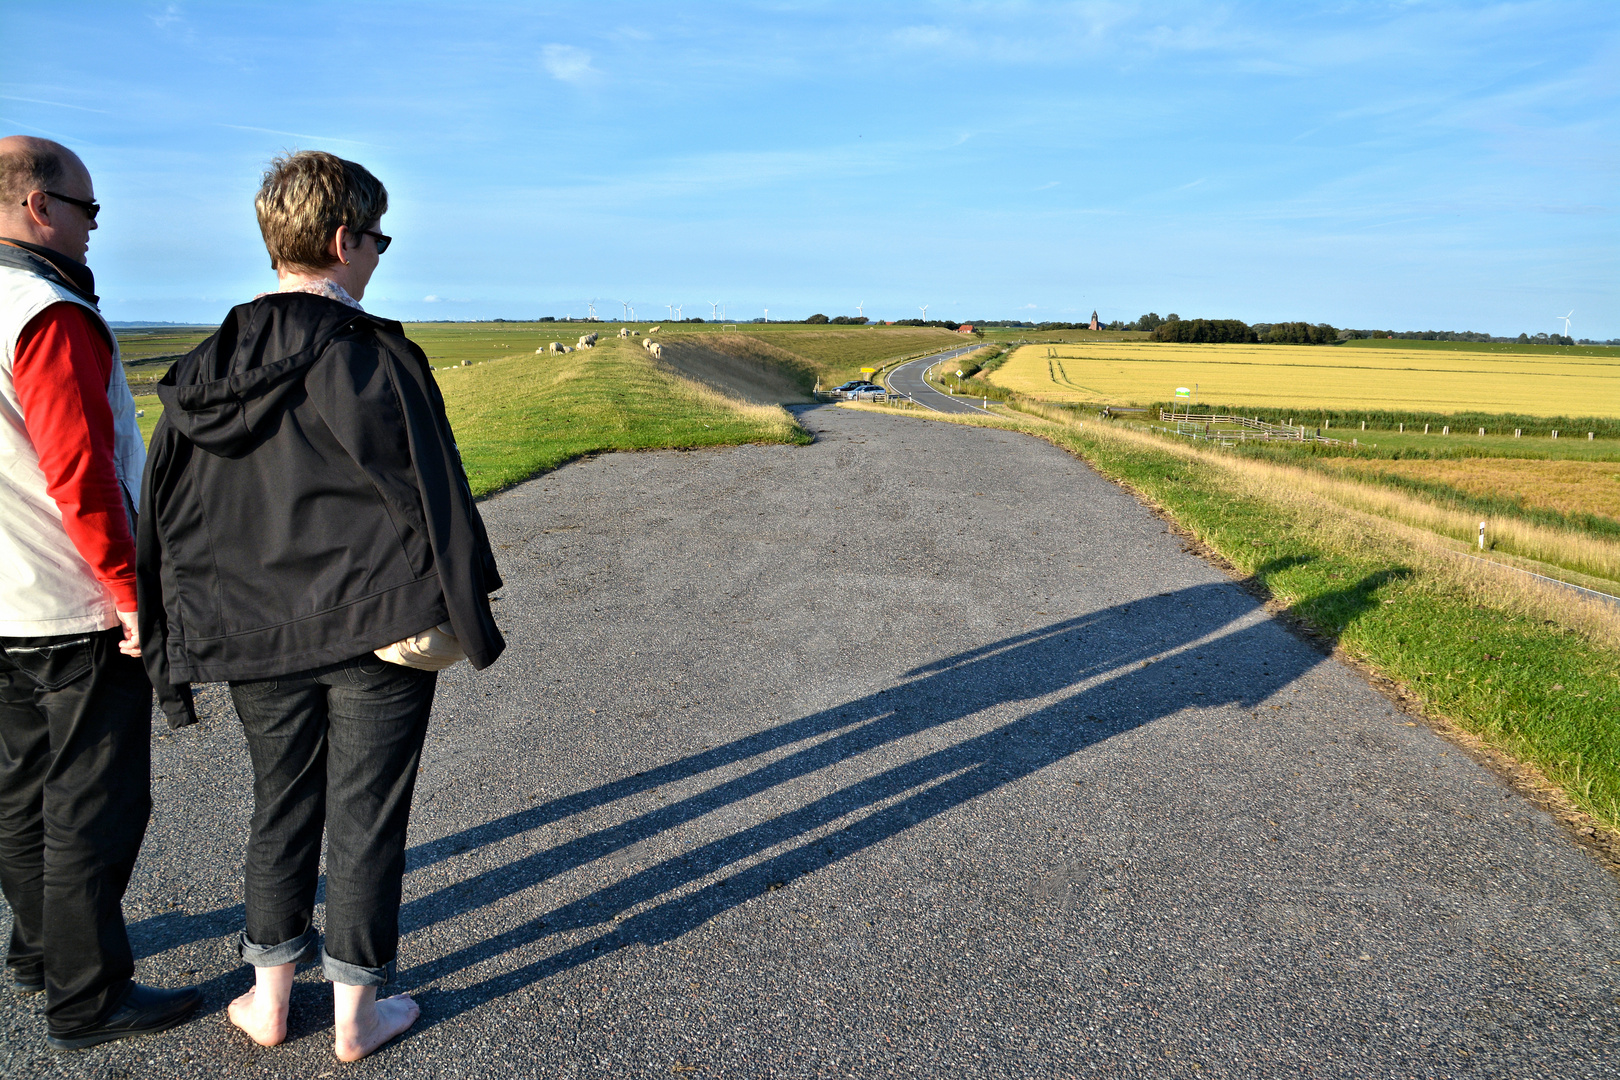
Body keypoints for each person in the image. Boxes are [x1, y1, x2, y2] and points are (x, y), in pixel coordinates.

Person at [137, 150, 504, 1061]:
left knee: (280, 802)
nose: (379, 254)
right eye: (377, 238)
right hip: (379, 623)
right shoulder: (371, 353)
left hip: (251, 627)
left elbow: (169, 512)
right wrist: (463, 607)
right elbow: (432, 494)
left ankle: (266, 1002)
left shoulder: (198, 368)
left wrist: (177, 634)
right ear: (343, 241)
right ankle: (356, 1015)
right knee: (368, 811)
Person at [0, 136, 202, 1050]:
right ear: (41, 206)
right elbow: (80, 470)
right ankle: (88, 998)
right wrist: (128, 594)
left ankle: (39, 952)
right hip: (67, 603)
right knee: (94, 804)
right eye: (88, 211)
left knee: (18, 788)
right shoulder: (45, 311)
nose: (93, 231)